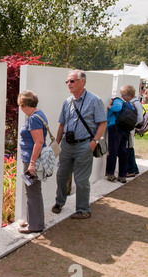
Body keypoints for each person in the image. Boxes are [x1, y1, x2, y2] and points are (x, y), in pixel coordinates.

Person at [52, 70, 107, 219]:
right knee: (62, 175)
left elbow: (102, 123)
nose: (69, 84)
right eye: (67, 81)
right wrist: (57, 143)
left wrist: (94, 142)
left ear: (82, 81)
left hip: (84, 145)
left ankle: (83, 209)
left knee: (81, 180)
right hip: (66, 145)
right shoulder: (67, 102)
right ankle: (59, 202)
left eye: (72, 81)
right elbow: (62, 125)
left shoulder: (94, 100)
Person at [17, 90, 47, 233]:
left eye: (20, 105)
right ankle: (32, 221)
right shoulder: (37, 115)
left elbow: (39, 142)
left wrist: (32, 164)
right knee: (32, 190)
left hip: (32, 160)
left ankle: (35, 226)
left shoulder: (34, 118)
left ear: (23, 105)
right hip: (31, 159)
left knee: (33, 191)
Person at [105, 93, 130, 183]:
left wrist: (109, 106)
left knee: (113, 151)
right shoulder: (127, 103)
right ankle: (122, 175)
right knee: (123, 152)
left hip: (115, 128)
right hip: (124, 128)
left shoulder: (117, 100)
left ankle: (110, 174)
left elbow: (117, 108)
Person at [123, 85, 144, 178]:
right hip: (131, 128)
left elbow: (139, 118)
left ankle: (130, 170)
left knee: (128, 149)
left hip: (130, 128)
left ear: (129, 95)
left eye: (123, 95)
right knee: (130, 148)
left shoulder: (135, 103)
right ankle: (133, 169)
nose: (122, 97)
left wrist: (131, 124)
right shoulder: (135, 102)